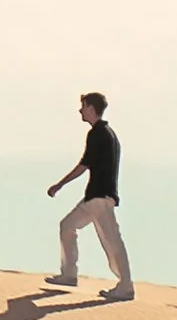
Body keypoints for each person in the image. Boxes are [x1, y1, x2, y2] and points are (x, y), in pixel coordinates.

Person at [46, 91, 133, 298]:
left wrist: (59, 185)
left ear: (91, 108)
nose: (80, 110)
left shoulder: (99, 134)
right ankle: (69, 275)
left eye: (83, 106)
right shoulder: (107, 134)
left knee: (112, 241)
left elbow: (84, 165)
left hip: (100, 198)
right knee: (67, 226)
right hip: (94, 197)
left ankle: (126, 286)